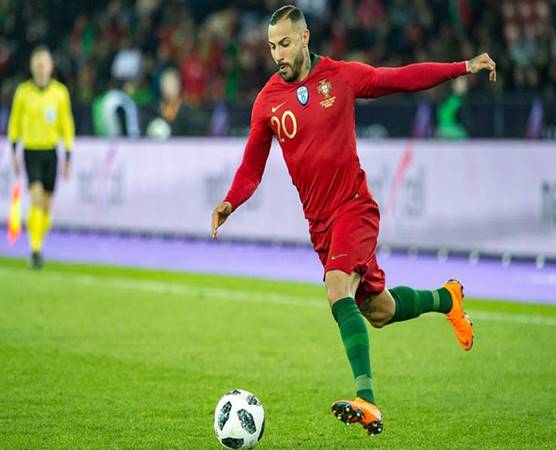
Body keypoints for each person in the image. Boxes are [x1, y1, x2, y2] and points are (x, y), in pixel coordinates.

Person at [211, 5, 496, 435]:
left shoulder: (340, 77)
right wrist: (230, 202)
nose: (278, 54)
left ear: (304, 38)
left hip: (354, 208)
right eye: (271, 47)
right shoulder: (267, 101)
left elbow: (400, 78)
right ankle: (447, 298)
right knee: (380, 311)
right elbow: (252, 165)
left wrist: (463, 67)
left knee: (336, 289)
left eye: (285, 43)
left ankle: (367, 399)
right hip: (320, 225)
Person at [8, 46, 75, 269]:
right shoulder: (23, 92)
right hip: (31, 151)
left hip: (50, 152)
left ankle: (39, 243)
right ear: (32, 67)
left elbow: (66, 125)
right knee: (36, 198)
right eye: (37, 64)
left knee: (46, 205)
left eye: (44, 64)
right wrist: (14, 151)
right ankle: (35, 249)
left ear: (50, 67)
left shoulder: (60, 93)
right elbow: (15, 122)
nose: (41, 68)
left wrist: (68, 156)